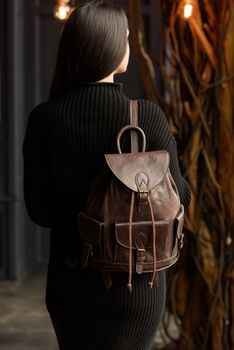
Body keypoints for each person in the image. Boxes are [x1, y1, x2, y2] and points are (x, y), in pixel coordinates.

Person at [23, 1, 191, 349]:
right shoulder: (148, 116)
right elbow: (182, 198)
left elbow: (39, 212)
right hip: (137, 284)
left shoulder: (45, 119)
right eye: (126, 38)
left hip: (73, 285)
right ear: (115, 49)